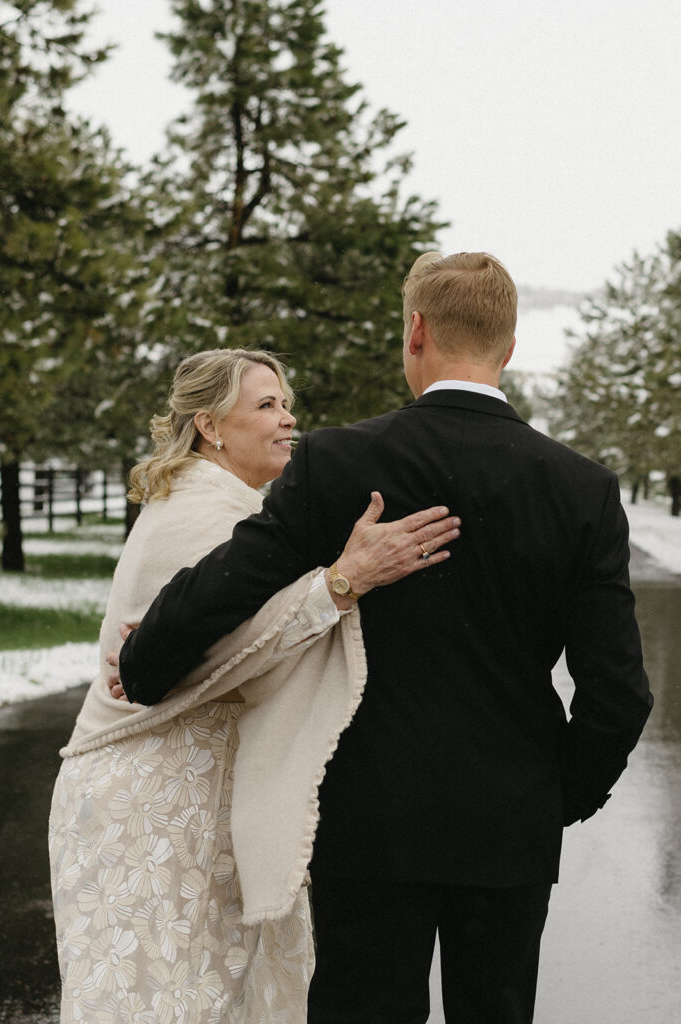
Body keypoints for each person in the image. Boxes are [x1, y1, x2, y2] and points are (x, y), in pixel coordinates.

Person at [119, 254, 653, 1024]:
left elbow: (229, 583)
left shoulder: (339, 461)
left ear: (415, 332)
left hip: (366, 816)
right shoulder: (580, 487)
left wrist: (144, 661)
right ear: (507, 348)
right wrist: (550, 797)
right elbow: (617, 694)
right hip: (508, 822)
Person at [48, 347, 459, 1024]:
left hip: (198, 790)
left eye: (286, 403)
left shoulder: (232, 507)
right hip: (151, 798)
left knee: (222, 995)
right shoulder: (198, 514)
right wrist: (343, 581)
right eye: (265, 405)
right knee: (168, 1001)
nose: (287, 419)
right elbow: (228, 658)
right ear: (211, 426)